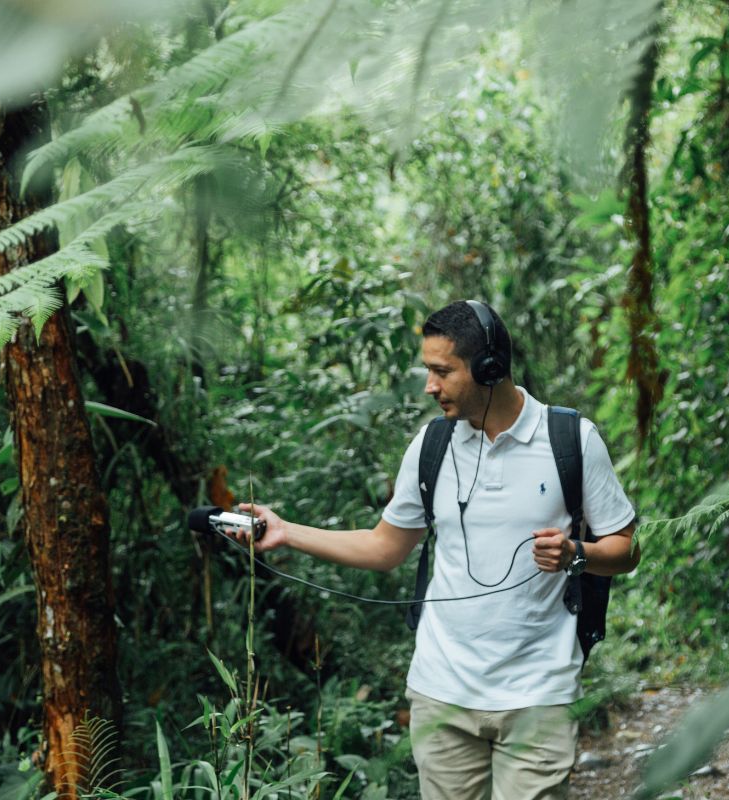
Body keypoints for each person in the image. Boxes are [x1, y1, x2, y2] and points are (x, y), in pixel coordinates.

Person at [232, 300, 640, 800]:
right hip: (441, 694)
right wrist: (285, 531)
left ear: (488, 368)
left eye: (441, 371)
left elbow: (625, 548)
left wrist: (578, 553)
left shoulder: (570, 439)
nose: (430, 386)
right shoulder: (431, 445)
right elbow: (384, 547)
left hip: (540, 694)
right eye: (428, 370)